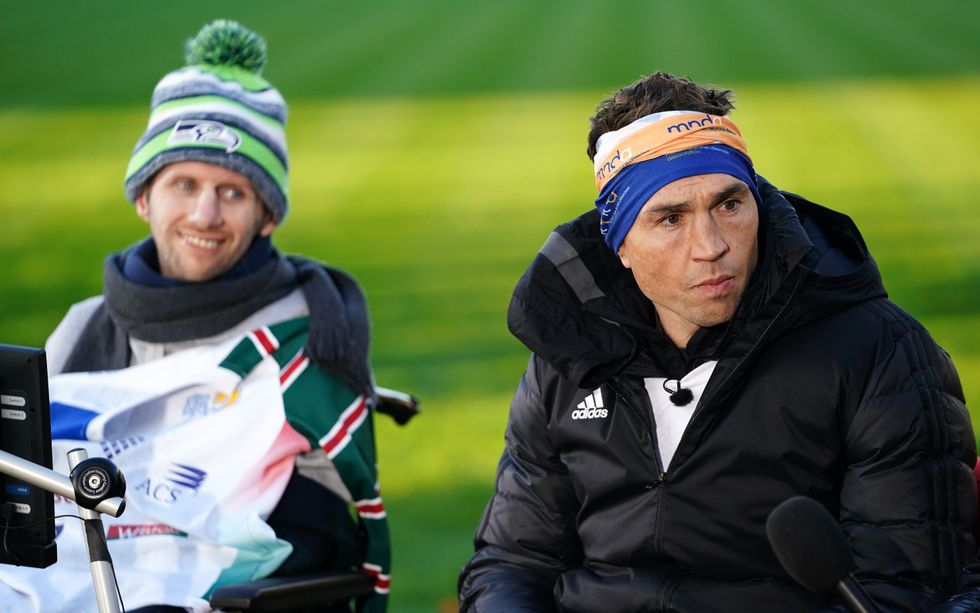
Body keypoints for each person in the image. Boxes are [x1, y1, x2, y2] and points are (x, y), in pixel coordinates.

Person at [457, 71, 979, 611]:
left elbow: (907, 586)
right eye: (670, 218)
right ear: (621, 245)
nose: (710, 246)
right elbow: (513, 562)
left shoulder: (878, 351)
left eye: (729, 205)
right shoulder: (568, 356)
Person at [2, 20, 389, 613]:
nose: (205, 214)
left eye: (233, 192)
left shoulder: (310, 332)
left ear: (267, 216)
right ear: (143, 197)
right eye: (184, 183)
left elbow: (324, 538)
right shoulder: (87, 325)